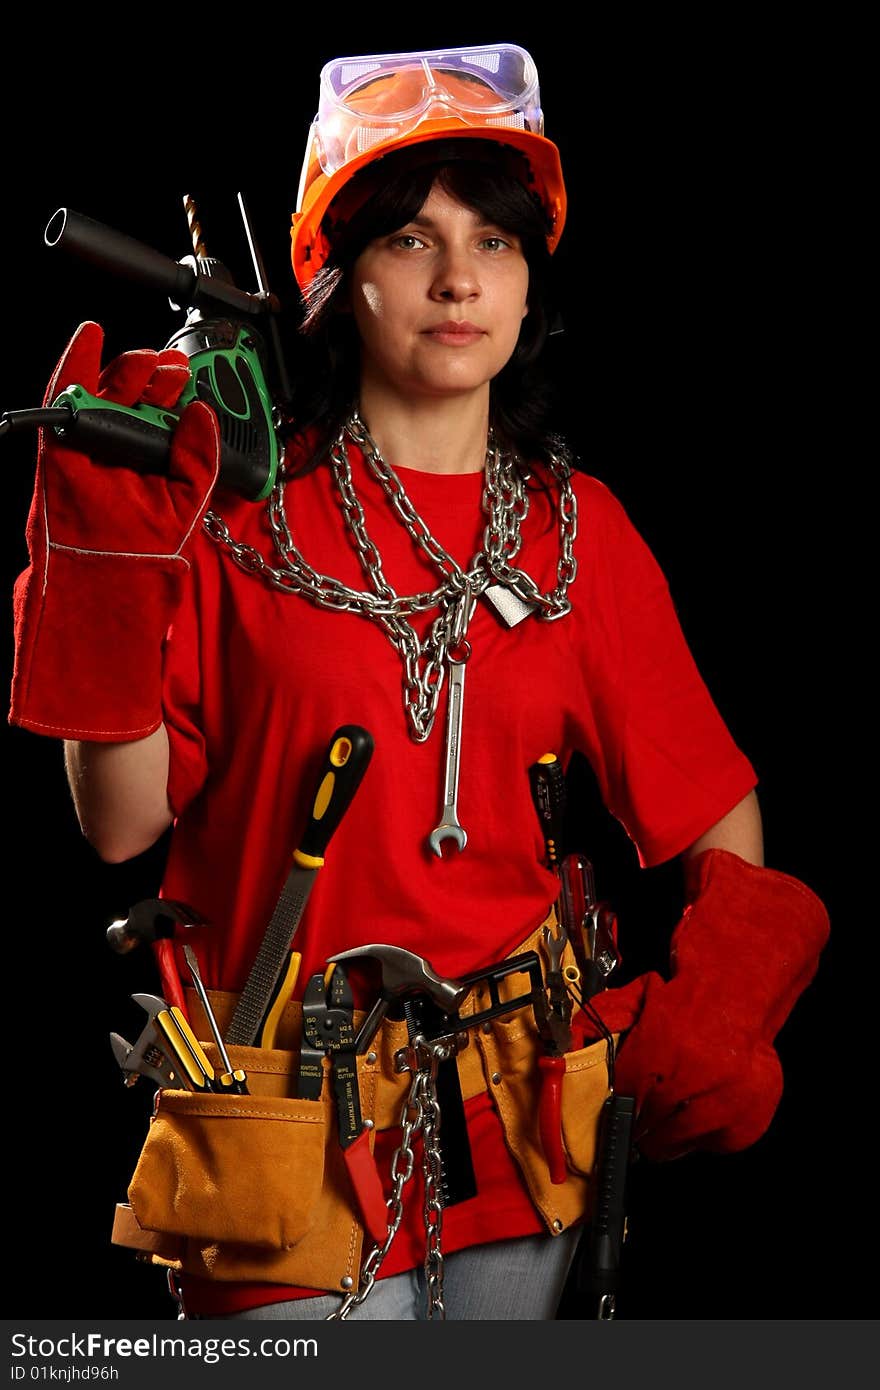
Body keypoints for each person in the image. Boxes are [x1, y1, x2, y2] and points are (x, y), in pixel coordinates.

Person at [8, 42, 829, 1322]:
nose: (457, 278)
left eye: (494, 244)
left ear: (527, 286)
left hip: (521, 1132)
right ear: (334, 280)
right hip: (277, 1129)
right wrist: (104, 576)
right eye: (409, 240)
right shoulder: (232, 521)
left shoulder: (576, 532)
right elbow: (122, 821)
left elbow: (714, 811)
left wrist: (720, 995)